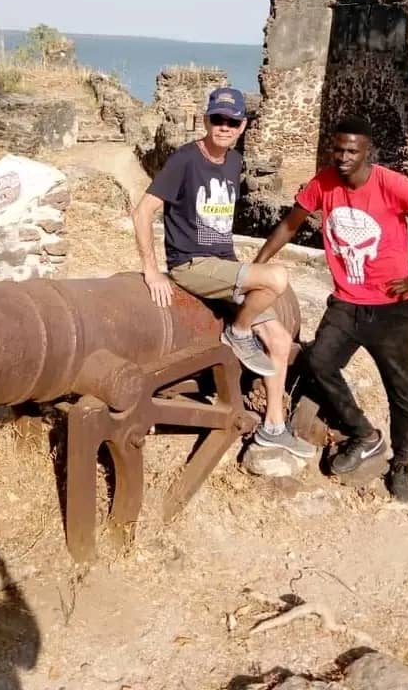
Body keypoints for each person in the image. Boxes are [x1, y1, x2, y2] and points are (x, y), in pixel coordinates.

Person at [255, 115, 408, 501]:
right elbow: (290, 224)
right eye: (338, 149)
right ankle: (364, 434)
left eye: (352, 151)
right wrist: (258, 265)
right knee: (319, 362)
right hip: (347, 303)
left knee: (400, 389)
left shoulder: (391, 184)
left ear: (367, 151)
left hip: (393, 309)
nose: (343, 157)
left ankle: (401, 462)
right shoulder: (324, 182)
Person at [132, 86, 314, 458]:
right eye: (218, 119)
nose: (224, 127)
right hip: (192, 265)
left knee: (280, 342)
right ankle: (239, 331)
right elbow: (142, 212)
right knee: (276, 278)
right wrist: (151, 271)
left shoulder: (233, 162)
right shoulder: (185, 160)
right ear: (206, 120)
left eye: (232, 122)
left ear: (242, 126)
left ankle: (273, 428)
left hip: (223, 267)